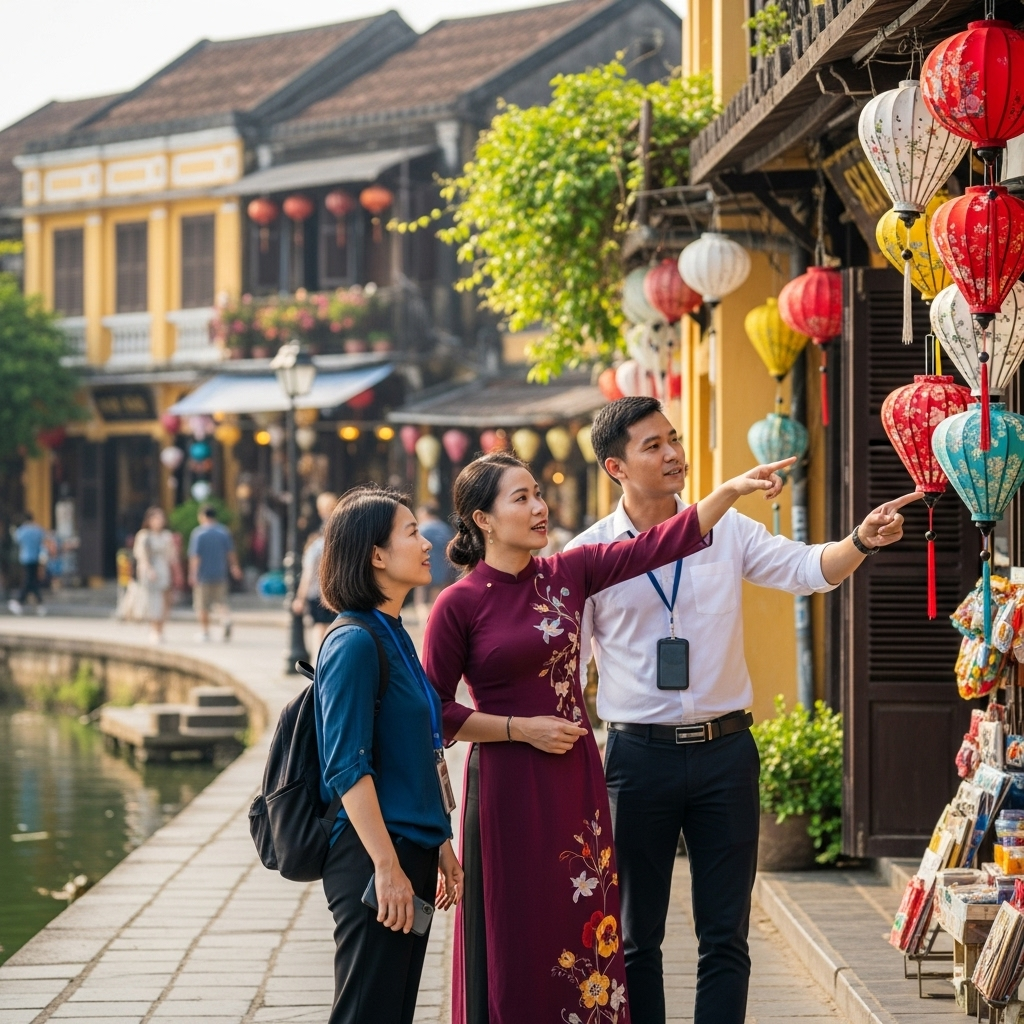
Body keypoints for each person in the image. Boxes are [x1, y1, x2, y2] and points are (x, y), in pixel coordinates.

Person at [567, 396, 920, 1024]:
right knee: (634, 935)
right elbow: (567, 670)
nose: (674, 453)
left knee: (725, 933)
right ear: (615, 467)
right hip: (634, 759)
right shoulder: (588, 555)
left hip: (725, 754)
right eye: (654, 446)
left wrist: (861, 540)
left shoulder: (726, 530)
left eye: (674, 438)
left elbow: (808, 568)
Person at [421, 449, 795, 1024]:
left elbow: (661, 543)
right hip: (504, 787)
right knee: (517, 927)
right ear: (483, 520)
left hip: (575, 781)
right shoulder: (459, 604)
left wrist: (729, 492)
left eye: (539, 494)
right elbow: (435, 710)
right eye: (521, 498)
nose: (540, 507)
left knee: (585, 925)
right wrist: (520, 730)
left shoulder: (570, 572)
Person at [315, 484, 464, 1024]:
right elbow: (347, 766)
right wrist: (386, 866)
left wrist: (439, 843)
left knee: (392, 1011)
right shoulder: (353, 641)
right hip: (373, 855)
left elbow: (418, 753)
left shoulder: (394, 632)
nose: (427, 543)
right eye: (411, 532)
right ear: (376, 555)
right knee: (366, 1011)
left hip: (409, 850)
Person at [293, 491, 339, 653]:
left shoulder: (317, 545)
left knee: (319, 627)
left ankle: (320, 660)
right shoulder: (339, 539)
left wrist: (300, 598)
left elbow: (308, 575)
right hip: (334, 590)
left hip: (317, 592)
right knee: (331, 627)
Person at [188, 505, 242, 642]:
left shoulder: (198, 533)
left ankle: (205, 632)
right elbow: (231, 553)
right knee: (221, 601)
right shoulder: (223, 532)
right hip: (220, 573)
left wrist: (192, 574)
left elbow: (195, 557)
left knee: (202, 605)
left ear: (202, 516)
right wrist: (234, 567)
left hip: (203, 575)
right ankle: (226, 619)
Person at [133, 507, 177, 644]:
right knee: (153, 601)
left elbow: (172, 556)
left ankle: (161, 629)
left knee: (165, 601)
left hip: (164, 568)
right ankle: (154, 629)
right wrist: (148, 569)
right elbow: (141, 555)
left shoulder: (167, 536)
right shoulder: (144, 535)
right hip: (150, 570)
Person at [413, 501, 456, 623]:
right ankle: (433, 623)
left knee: (421, 602)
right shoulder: (446, 529)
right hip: (442, 571)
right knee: (435, 602)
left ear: (425, 513)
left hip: (423, 569)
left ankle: (425, 626)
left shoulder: (422, 529)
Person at [8, 512, 49, 616]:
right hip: (36, 557)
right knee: (32, 581)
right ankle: (39, 604)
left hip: (26, 558)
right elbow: (43, 541)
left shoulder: (23, 530)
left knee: (28, 581)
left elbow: (16, 539)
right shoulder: (38, 530)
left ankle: (20, 602)